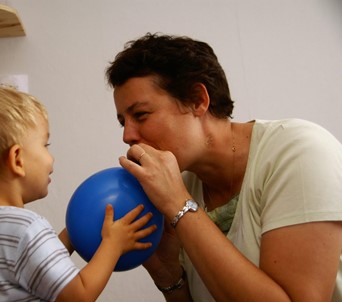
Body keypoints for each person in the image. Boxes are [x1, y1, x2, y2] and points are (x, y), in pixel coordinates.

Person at [105, 33, 342, 302]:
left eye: (141, 115)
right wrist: (168, 273)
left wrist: (179, 205)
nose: (127, 135)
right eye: (123, 122)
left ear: (198, 100)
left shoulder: (299, 152)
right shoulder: (181, 185)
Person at [0, 85, 157, 302]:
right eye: (45, 145)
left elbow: (30, 273)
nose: (51, 158)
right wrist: (113, 244)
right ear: (17, 160)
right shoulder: (27, 228)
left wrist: (69, 237)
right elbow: (79, 296)